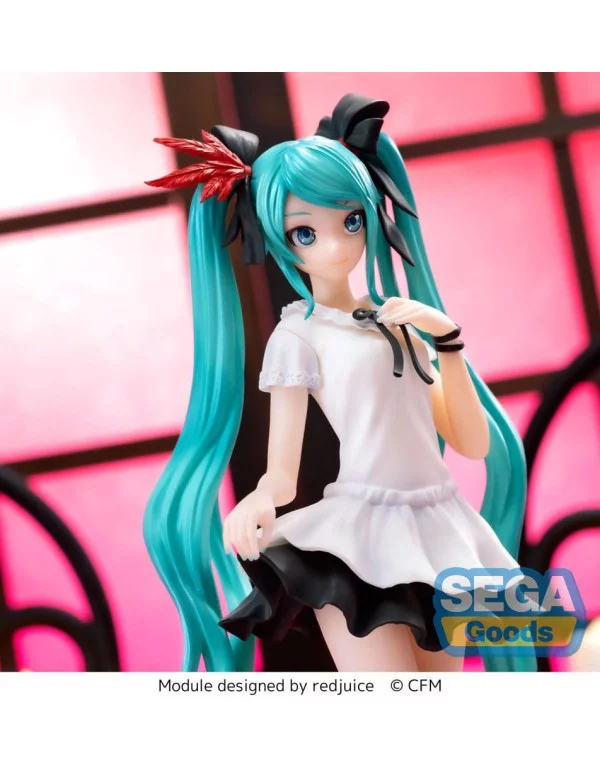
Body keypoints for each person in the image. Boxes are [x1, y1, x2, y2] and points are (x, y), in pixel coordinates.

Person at [143, 94, 534, 673]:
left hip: (439, 531)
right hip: (358, 539)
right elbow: (282, 474)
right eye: (304, 232)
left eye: (351, 221)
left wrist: (448, 342)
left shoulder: (399, 321)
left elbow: (471, 444)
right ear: (278, 238)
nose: (333, 246)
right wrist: (260, 499)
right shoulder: (299, 334)